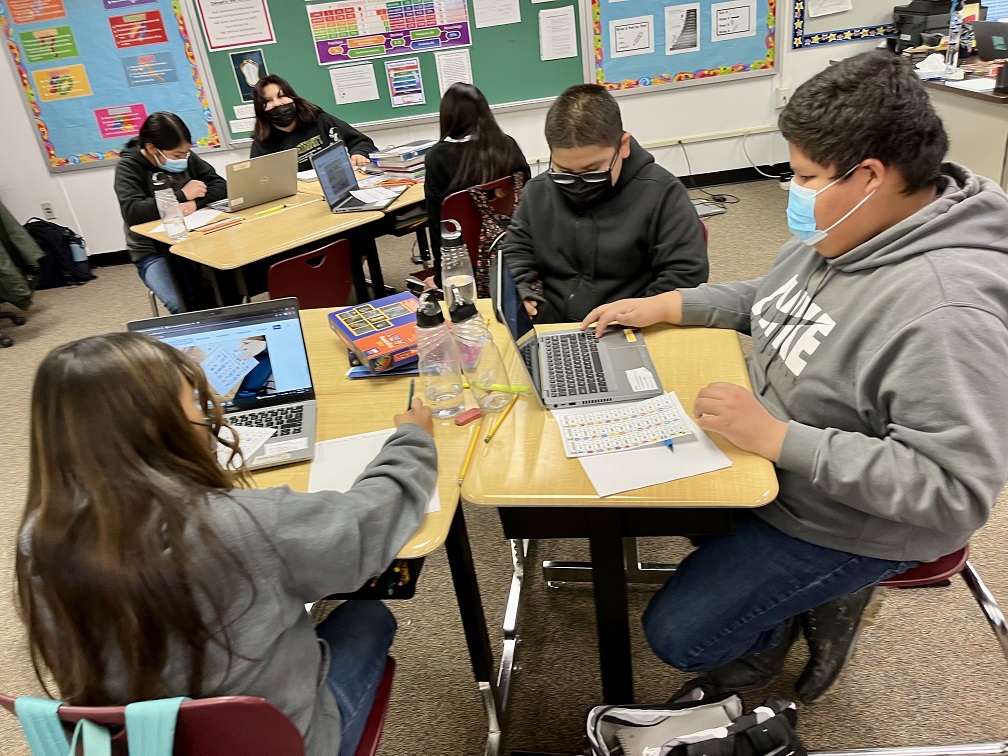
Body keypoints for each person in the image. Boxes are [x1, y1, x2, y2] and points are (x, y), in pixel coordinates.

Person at [582, 50, 1008, 701]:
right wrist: (670, 305)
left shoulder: (946, 311)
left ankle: (797, 621)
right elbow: (774, 298)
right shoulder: (852, 229)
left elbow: (952, 492)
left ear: (868, 177)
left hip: (852, 519)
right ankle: (781, 588)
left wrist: (779, 439)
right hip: (782, 459)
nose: (793, 190)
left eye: (805, 175)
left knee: (678, 636)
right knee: (655, 488)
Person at [15, 332, 437, 756]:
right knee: (369, 616)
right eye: (195, 404)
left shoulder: (36, 540)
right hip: (284, 745)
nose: (207, 414)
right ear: (160, 427)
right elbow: (370, 524)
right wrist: (413, 441)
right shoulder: (245, 522)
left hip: (146, 743)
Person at [499, 84, 708, 324]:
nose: (578, 184)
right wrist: (520, 290)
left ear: (624, 146)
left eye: (592, 171)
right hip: (555, 326)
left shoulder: (662, 193)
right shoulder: (538, 192)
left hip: (632, 326)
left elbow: (686, 275)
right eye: (564, 172)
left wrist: (635, 315)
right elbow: (514, 253)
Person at [114, 112, 226, 313]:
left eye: (186, 153)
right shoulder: (129, 166)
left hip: (194, 241)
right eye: (176, 155)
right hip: (152, 252)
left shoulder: (185, 156)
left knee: (228, 288)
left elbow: (220, 185)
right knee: (180, 303)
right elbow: (133, 211)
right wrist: (181, 195)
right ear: (151, 148)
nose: (183, 159)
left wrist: (195, 203)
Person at [424, 82, 530, 282]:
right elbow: (527, 199)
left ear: (447, 117)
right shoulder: (508, 145)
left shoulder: (437, 157)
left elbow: (438, 222)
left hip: (465, 261)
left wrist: (441, 277)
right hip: (512, 247)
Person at [250, 74, 377, 172]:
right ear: (261, 109)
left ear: (292, 98)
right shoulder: (262, 144)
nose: (277, 103)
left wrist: (359, 154)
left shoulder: (320, 120)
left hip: (338, 184)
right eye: (268, 101)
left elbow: (361, 142)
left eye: (281, 96)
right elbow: (259, 182)